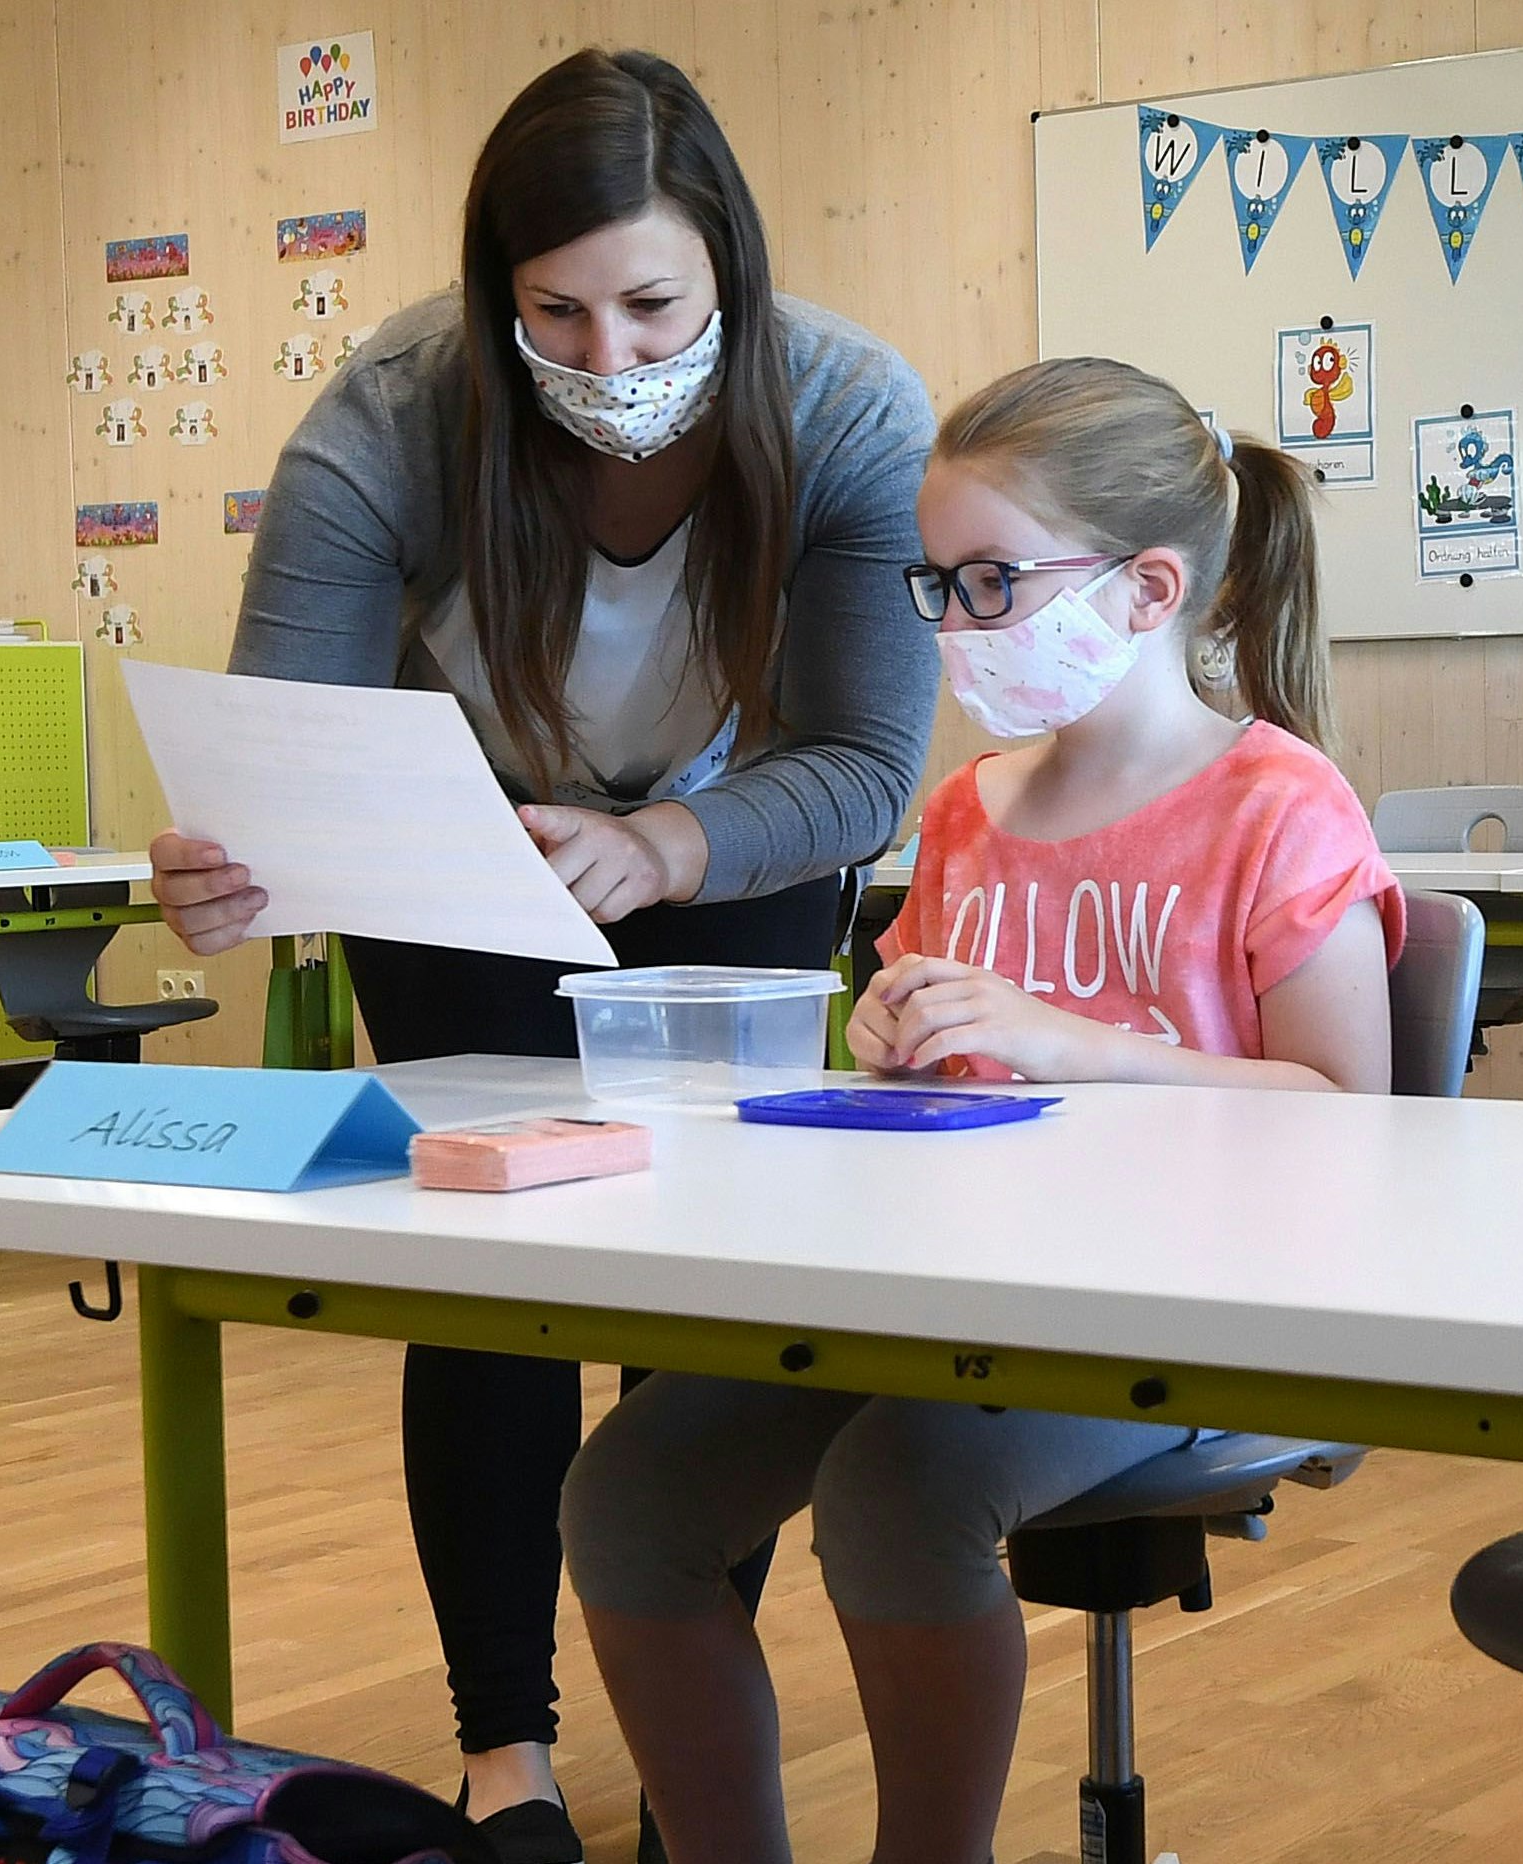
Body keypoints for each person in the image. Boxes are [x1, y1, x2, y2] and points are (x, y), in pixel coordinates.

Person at [143, 49, 937, 1862]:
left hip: (734, 846)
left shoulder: (845, 409)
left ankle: (690, 1734)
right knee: (492, 1297)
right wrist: (235, 863)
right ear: (490, 295)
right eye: (552, 313)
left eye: (651, 303)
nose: (606, 357)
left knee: (703, 1309)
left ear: (724, 262)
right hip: (458, 854)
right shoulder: (388, 420)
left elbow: (867, 770)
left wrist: (664, 839)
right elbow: (294, 744)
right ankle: (505, 1743)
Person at [560, 356, 1404, 1864]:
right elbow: (944, 1071)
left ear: (1146, 591)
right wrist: (889, 1039)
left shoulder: (1280, 806)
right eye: (935, 583)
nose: (953, 625)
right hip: (959, 1293)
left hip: (1195, 1300)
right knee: (630, 1492)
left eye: (992, 582)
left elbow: (1351, 1111)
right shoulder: (965, 809)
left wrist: (1078, 1044)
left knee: (899, 1491)